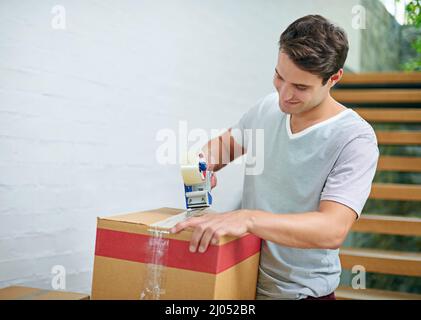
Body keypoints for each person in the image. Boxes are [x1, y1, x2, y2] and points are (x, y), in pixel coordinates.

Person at [171, 14, 379, 300]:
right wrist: (201, 164)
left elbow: (331, 229)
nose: (284, 95)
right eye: (279, 77)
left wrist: (249, 218)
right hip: (242, 282)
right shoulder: (267, 109)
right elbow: (220, 148)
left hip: (302, 293)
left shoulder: (355, 139)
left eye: (300, 88)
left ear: (334, 78)